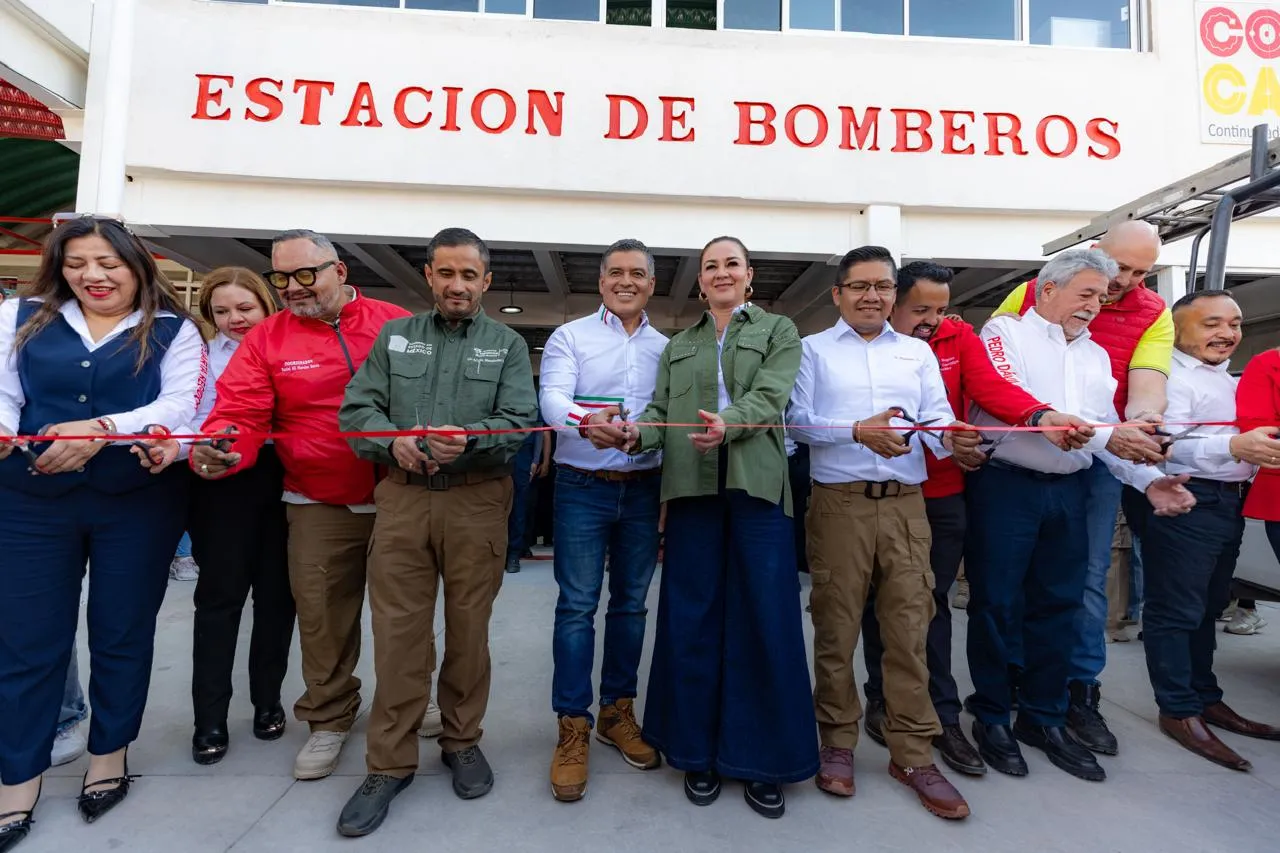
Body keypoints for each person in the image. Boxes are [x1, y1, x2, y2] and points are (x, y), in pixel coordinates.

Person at [0, 215, 205, 846]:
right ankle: (18, 776)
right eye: (76, 264)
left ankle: (109, 754)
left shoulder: (173, 329)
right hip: (31, 501)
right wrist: (6, 431)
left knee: (121, 632)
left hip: (136, 502)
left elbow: (181, 405)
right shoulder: (20, 317)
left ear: (136, 266)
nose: (93, 275)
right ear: (58, 268)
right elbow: (4, 392)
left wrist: (103, 429)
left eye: (108, 263)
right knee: (27, 640)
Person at [189, 230, 420, 781]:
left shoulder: (396, 323)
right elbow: (240, 411)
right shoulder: (267, 339)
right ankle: (330, 717)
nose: (292, 287)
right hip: (316, 500)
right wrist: (222, 446)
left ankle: (413, 701)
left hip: (401, 495)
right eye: (281, 277)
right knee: (321, 619)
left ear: (340, 271)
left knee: (405, 616)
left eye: (305, 274)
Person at [335, 227, 537, 837]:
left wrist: (469, 441)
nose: (457, 285)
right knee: (398, 635)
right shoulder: (396, 337)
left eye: (469, 275)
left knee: (469, 632)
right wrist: (392, 441)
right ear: (428, 275)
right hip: (403, 500)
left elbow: (519, 420)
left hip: (478, 502)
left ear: (486, 281)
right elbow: (357, 410)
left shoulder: (506, 344)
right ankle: (388, 763)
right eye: (446, 273)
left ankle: (462, 741)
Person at [965, 248, 1193, 784]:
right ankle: (993, 715)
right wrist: (1086, 431)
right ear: (1048, 289)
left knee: (1060, 606)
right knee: (996, 605)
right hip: (1007, 488)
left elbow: (1108, 431)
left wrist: (1150, 479)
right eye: (1086, 294)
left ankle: (1043, 717)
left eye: (1101, 297)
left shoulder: (1095, 357)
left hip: (1069, 491)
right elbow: (1004, 397)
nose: (1095, 306)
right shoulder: (1003, 334)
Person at [858, 261, 1086, 778]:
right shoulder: (869, 343)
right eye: (921, 309)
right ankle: (881, 696)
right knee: (880, 600)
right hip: (885, 493)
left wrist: (1039, 417)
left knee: (933, 603)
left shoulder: (958, 338)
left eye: (941, 310)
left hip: (943, 493)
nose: (932, 320)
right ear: (892, 303)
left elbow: (991, 388)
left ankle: (942, 713)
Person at [622, 236, 817, 820]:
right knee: (692, 620)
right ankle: (695, 751)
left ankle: (761, 760)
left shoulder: (780, 331)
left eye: (732, 263)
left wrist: (728, 423)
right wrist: (635, 434)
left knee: (765, 620)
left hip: (757, 490)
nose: (722, 273)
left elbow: (771, 395)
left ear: (749, 274)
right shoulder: (679, 344)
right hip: (692, 491)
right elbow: (660, 412)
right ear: (701, 281)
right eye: (711, 266)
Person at [787, 246, 971, 820]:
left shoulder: (916, 353)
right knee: (836, 628)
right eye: (860, 286)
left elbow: (935, 418)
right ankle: (836, 743)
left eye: (883, 287)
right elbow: (796, 422)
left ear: (894, 294)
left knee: (910, 629)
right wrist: (855, 431)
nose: (872, 296)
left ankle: (912, 753)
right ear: (838, 293)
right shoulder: (812, 349)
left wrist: (955, 440)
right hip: (838, 506)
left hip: (906, 507)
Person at [135, 266, 298, 765]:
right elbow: (187, 420)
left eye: (245, 308)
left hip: (285, 478)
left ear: (268, 305)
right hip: (220, 481)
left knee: (277, 600)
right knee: (218, 601)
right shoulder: (202, 356)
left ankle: (268, 701)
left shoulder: (290, 349)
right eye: (221, 311)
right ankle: (209, 718)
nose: (235, 319)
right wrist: (186, 450)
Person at [537, 238, 668, 802]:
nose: (625, 282)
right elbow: (551, 399)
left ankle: (617, 711)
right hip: (582, 488)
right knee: (576, 607)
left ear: (652, 284)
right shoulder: (570, 337)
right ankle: (573, 725)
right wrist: (587, 422)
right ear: (601, 281)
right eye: (616, 272)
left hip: (644, 489)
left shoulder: (668, 348)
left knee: (632, 606)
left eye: (637, 273)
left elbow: (671, 415)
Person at [1138, 290, 1280, 769]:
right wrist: (1233, 447)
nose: (1227, 333)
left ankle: (1205, 697)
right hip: (1188, 496)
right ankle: (1178, 710)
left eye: (1234, 324)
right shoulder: (1167, 379)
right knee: (1176, 608)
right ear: (1178, 330)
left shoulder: (1229, 378)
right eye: (1211, 324)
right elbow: (1162, 444)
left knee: (1209, 605)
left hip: (1229, 502)